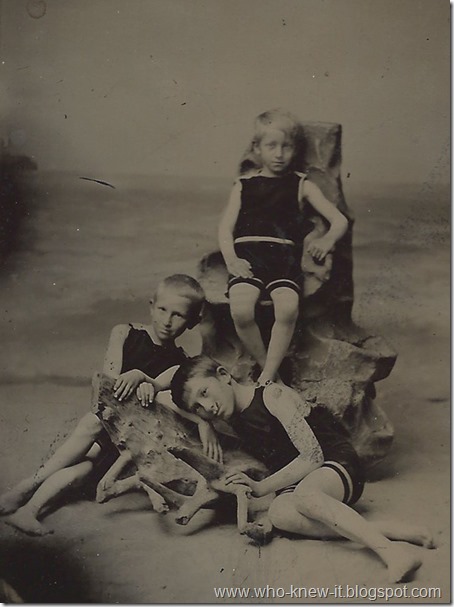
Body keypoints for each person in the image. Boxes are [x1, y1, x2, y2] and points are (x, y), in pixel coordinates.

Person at [170, 355, 435, 584]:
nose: (207, 407)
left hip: (335, 462)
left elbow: (313, 456)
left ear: (223, 375)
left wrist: (261, 487)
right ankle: (384, 530)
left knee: (305, 496)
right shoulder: (230, 417)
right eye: (197, 408)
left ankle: (392, 553)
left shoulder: (272, 395)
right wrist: (203, 423)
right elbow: (167, 395)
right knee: (280, 514)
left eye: (204, 393)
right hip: (300, 481)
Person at [0, 275, 221, 536]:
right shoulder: (125, 333)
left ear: (193, 321)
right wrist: (140, 381)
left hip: (133, 441)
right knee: (93, 423)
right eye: (162, 310)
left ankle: (28, 511)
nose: (167, 321)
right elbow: (109, 387)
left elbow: (172, 404)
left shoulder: (180, 363)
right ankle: (26, 488)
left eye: (178, 315)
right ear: (151, 306)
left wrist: (199, 419)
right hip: (106, 424)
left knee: (81, 472)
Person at [218, 109, 349, 386]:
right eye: (271, 146)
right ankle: (268, 369)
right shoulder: (243, 185)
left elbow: (339, 220)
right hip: (248, 257)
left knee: (288, 308)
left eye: (287, 146)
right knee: (241, 310)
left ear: (295, 149)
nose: (279, 154)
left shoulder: (301, 184)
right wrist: (231, 260)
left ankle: (267, 374)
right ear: (257, 148)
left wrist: (326, 241)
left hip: (282, 260)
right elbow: (225, 229)